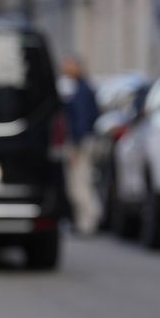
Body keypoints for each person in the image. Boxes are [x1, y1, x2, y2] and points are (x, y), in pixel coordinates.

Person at [60, 55, 101, 236]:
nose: (65, 69)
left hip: (80, 143)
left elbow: (82, 119)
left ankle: (88, 221)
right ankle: (84, 220)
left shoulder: (82, 90)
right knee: (79, 183)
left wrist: (76, 145)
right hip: (81, 141)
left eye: (68, 65)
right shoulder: (79, 87)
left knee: (79, 184)